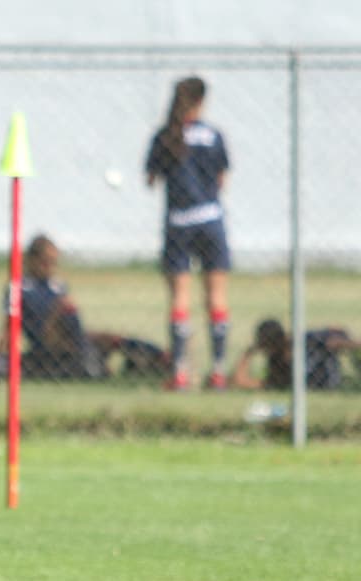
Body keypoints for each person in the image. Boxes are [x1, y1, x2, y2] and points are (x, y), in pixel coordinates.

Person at [145, 76, 232, 391]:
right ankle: (219, 370)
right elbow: (223, 180)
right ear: (201, 102)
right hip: (210, 220)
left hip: (179, 223)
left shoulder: (166, 136)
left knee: (180, 297)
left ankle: (181, 372)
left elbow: (152, 179)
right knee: (216, 297)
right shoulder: (213, 136)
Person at [0, 234, 167, 381]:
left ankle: (160, 359)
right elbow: (9, 328)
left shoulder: (57, 285)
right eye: (46, 262)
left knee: (112, 339)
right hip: (48, 342)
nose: (50, 267)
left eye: (53, 262)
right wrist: (1, 356)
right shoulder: (18, 288)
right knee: (66, 310)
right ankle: (97, 365)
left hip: (73, 337)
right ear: (32, 260)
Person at [231, 318, 360, 391]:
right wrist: (248, 354)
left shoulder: (307, 341)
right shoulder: (277, 364)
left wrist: (348, 343)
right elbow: (241, 381)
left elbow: (336, 334)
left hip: (330, 386)